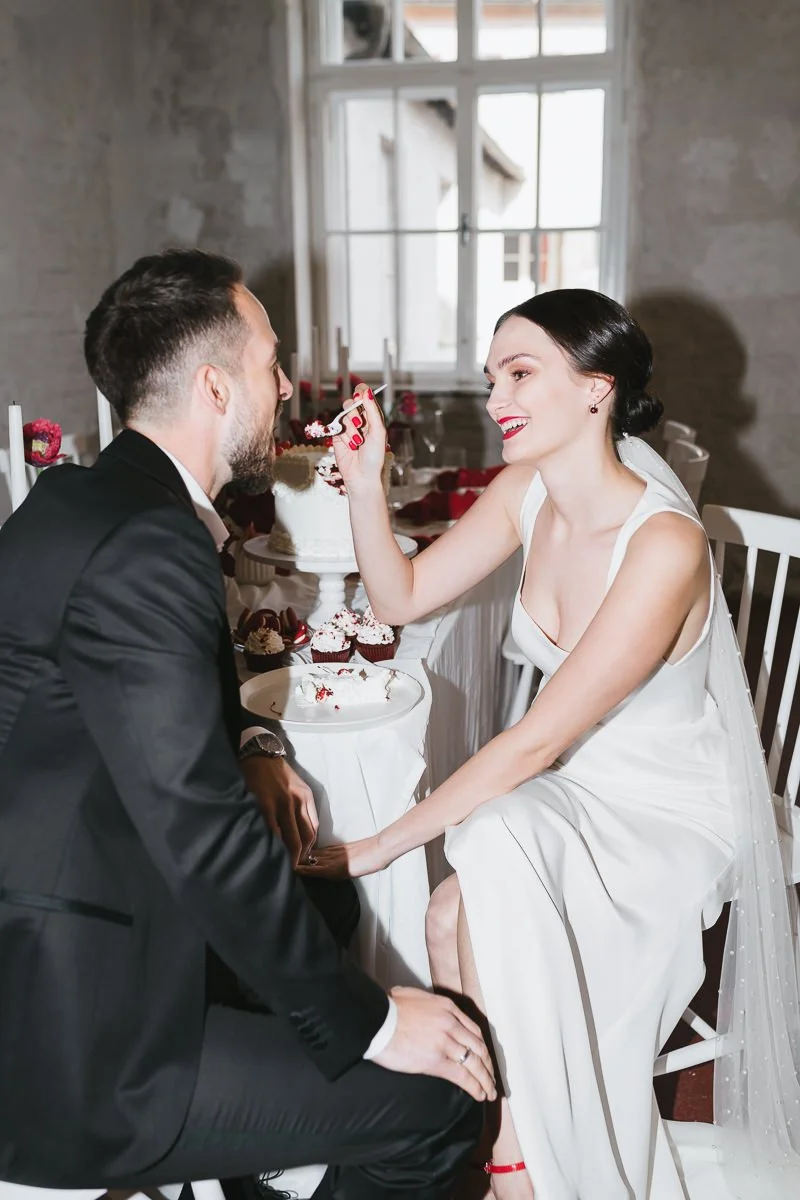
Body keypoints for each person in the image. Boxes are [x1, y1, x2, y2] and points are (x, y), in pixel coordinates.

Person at [0, 248, 495, 1200]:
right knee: (438, 1108)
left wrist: (259, 744)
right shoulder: (149, 544)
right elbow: (200, 834)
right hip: (79, 1034)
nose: (284, 384)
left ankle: (258, 1169)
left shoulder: (94, 499)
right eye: (272, 362)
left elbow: (151, 697)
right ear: (216, 386)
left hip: (74, 900)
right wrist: (375, 1024)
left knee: (329, 902)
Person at [302, 289, 800, 1198]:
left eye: (521, 373)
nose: (496, 399)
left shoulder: (665, 546)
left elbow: (530, 744)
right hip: (574, 785)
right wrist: (368, 485)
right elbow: (401, 600)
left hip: (667, 806)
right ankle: (514, 1148)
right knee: (452, 912)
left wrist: (373, 848)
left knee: (471, 879)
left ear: (597, 389)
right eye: (493, 376)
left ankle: (511, 1164)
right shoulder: (525, 491)